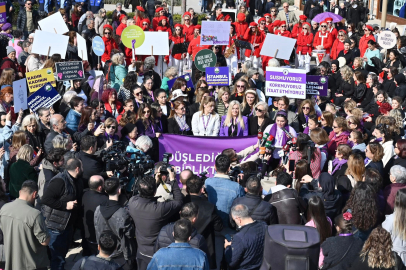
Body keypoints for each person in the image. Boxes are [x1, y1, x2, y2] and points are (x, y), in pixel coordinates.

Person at [128, 170, 183, 270]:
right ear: (154, 192)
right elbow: (178, 201)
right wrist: (173, 180)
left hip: (142, 251)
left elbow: (142, 194)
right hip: (158, 253)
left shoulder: (132, 203)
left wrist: (155, 182)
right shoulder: (159, 209)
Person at [41, 158, 84, 270]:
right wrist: (65, 205)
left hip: (67, 224)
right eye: (82, 167)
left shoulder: (77, 179)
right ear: (77, 169)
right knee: (57, 258)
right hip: (55, 226)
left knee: (61, 255)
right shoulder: (59, 181)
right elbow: (46, 199)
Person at [0, 180, 50, 270]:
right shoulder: (35, 214)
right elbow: (45, 242)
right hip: (32, 264)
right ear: (34, 194)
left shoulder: (4, 209)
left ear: (20, 192)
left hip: (12, 263)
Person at [94, 177, 136, 269]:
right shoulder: (122, 213)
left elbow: (97, 228)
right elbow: (130, 234)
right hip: (120, 253)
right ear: (119, 190)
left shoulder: (98, 209)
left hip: (104, 251)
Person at [183, 176, 223, 268]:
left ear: (187, 189)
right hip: (203, 249)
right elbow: (219, 227)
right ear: (202, 189)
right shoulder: (209, 207)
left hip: (182, 248)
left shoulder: (180, 203)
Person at [224, 204, 267, 269]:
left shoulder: (240, 237)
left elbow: (232, 262)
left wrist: (227, 247)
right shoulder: (264, 225)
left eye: (234, 219)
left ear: (238, 219)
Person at [305, 196, 332, 267]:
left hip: (315, 259)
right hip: (326, 256)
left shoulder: (308, 226)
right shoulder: (328, 220)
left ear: (310, 210)